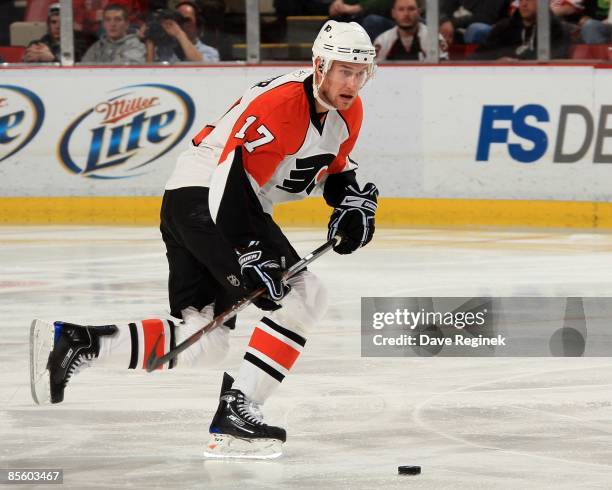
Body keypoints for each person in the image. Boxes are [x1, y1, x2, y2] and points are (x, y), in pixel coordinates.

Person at [30, 20, 379, 459]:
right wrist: (250, 250)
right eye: (343, 70)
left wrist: (350, 205)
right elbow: (228, 179)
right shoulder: (281, 103)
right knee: (305, 296)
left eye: (360, 71)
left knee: (204, 339)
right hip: (206, 198)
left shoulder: (350, 111)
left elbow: (335, 169)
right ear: (319, 65)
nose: (352, 82)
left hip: (206, 202)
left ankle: (78, 342)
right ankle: (239, 409)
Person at [470, 0, 570, 60]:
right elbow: (477, 56)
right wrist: (496, 61)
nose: (523, 4)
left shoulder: (557, 28)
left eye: (529, 0)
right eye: (521, 0)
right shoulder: (504, 27)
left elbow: (557, 59)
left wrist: (518, 62)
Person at [144, 1, 220, 62]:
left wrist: (179, 34)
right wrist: (150, 41)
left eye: (186, 20)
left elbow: (200, 66)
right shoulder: (165, 49)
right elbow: (150, 73)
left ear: (198, 24)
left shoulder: (210, 52)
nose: (182, 24)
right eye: (178, 20)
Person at [373, 0, 449, 61]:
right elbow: (373, 71)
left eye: (411, 9)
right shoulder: (382, 41)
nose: (406, 14)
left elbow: (441, 71)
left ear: (419, 12)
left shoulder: (434, 38)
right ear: (393, 13)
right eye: (401, 9)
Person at [81, 3, 146, 63]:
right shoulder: (96, 47)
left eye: (117, 19)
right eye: (108, 20)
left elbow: (124, 72)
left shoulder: (136, 46)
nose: (112, 24)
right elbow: (83, 70)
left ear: (127, 24)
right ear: (103, 24)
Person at [439, 0, 511, 46]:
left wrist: (452, 24)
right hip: (460, 28)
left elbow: (485, 18)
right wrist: (444, 21)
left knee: (475, 29)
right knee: (433, 23)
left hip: (495, 30)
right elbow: (440, 9)